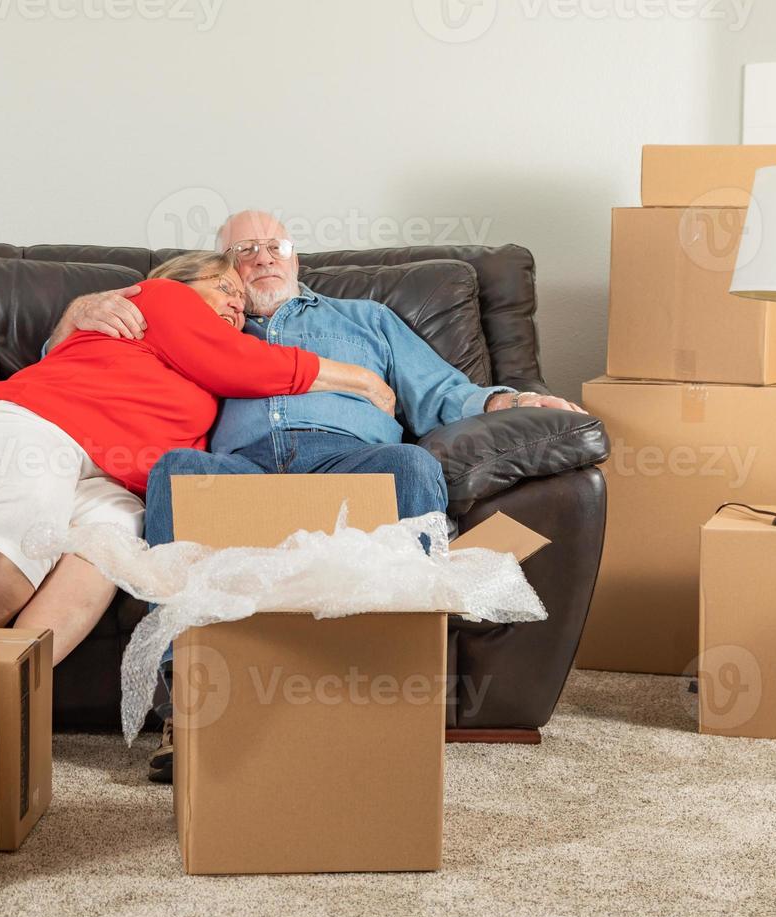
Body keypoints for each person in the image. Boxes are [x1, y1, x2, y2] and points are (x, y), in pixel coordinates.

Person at [47, 210, 587, 781]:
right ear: (220, 272)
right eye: (244, 251)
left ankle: (395, 691)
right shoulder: (202, 322)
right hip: (241, 473)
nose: (262, 258)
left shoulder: (367, 319)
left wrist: (511, 402)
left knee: (410, 462)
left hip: (347, 460)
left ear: (297, 259)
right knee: (177, 468)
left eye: (275, 246)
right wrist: (76, 312)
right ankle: (186, 709)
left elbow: (447, 394)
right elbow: (88, 367)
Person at [0, 250, 394, 666]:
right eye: (224, 287)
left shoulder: (199, 373)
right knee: (32, 509)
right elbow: (247, 364)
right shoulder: (162, 297)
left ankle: (1, 694)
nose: (236, 303)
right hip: (31, 425)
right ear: (182, 282)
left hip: (109, 481)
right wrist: (362, 379)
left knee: (108, 550)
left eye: (241, 300)